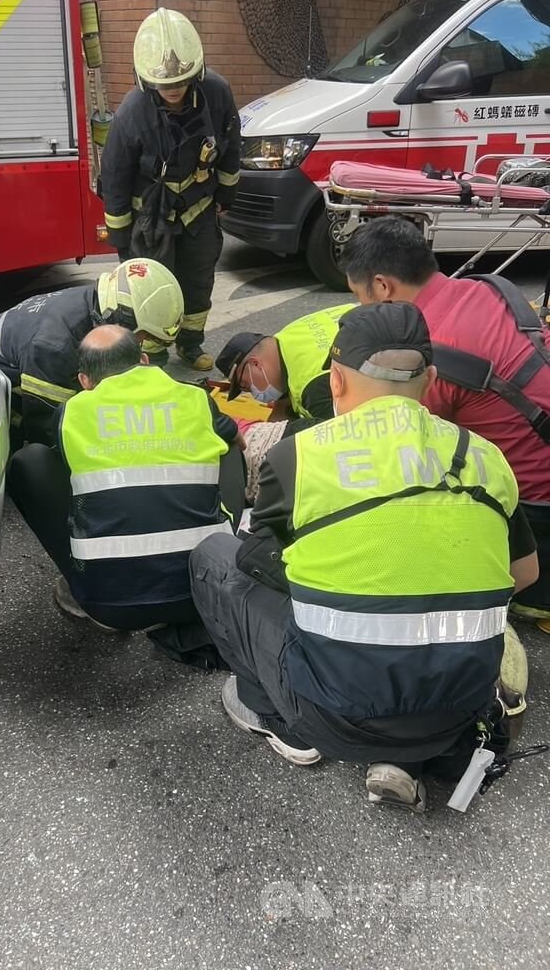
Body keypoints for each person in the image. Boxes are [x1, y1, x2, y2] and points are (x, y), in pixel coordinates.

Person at [190, 303, 538, 811]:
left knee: (216, 556)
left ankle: (275, 718)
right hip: (457, 714)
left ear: (335, 381)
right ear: (432, 379)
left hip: (332, 717)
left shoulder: (299, 455)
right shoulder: (484, 455)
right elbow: (522, 573)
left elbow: (260, 558)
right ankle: (406, 756)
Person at [340, 216, 550, 627]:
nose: (359, 308)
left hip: (532, 510)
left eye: (358, 296)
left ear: (382, 287)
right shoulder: (488, 288)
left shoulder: (429, 351)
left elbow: (398, 437)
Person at [8, 325, 245, 660]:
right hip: (205, 591)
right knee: (229, 446)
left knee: (30, 461)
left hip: (111, 605)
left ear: (84, 381)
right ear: (144, 360)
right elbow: (238, 441)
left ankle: (83, 585)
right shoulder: (194, 397)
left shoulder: (72, 412)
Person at [101, 8, 240, 372]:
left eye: (181, 80)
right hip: (151, 219)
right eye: (163, 84)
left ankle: (191, 344)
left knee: (198, 282)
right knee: (152, 292)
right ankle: (156, 353)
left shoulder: (217, 94)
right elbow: (114, 176)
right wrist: (121, 237)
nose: (173, 88)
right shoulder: (132, 112)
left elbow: (230, 145)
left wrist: (226, 196)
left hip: (200, 210)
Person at [0, 258, 184, 449]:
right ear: (121, 318)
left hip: (14, 365)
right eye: (143, 337)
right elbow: (47, 426)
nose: (142, 345)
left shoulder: (93, 304)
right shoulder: (55, 348)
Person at [216, 304, 355, 421]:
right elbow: (282, 409)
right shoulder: (290, 334)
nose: (255, 395)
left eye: (246, 386)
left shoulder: (313, 388)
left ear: (256, 364)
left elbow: (342, 440)